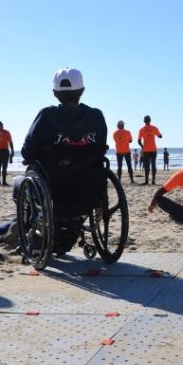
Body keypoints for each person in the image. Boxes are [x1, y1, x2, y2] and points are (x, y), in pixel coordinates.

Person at [20, 68, 109, 254]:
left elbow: (28, 150)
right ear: (82, 90)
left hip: (55, 182)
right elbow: (100, 147)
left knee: (20, 186)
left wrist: (30, 157)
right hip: (89, 184)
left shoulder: (46, 116)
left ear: (54, 93)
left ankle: (32, 235)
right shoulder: (96, 116)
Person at [138, 115, 162, 185]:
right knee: (153, 164)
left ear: (144, 121)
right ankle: (153, 181)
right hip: (153, 149)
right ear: (150, 120)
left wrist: (142, 147)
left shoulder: (141, 129)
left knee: (146, 165)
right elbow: (160, 136)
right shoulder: (154, 128)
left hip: (146, 150)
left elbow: (139, 141)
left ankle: (146, 181)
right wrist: (159, 135)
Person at [0, 121, 15, 186]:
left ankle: (4, 181)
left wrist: (12, 151)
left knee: (4, 167)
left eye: (1, 125)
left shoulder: (7, 132)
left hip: (5, 150)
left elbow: (10, 142)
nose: (1, 127)